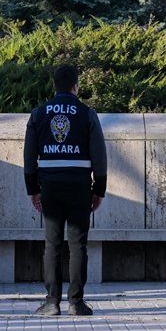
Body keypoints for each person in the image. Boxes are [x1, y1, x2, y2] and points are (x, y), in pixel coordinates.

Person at [23, 63, 108, 317]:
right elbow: (100, 156)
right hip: (80, 186)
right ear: (76, 86)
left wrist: (32, 189)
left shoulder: (39, 113)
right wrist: (99, 189)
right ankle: (76, 303)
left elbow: (29, 156)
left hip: (49, 185)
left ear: (54, 86)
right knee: (78, 244)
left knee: (52, 244)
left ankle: (51, 303)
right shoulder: (87, 113)